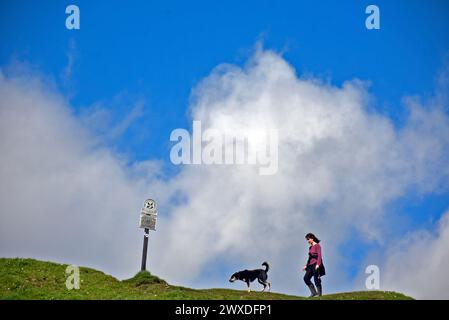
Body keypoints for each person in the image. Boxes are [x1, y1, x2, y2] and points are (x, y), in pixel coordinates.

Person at [301, 233, 325, 297]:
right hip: (310, 265)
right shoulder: (310, 247)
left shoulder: (317, 246)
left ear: (312, 238)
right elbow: (309, 258)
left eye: (308, 239)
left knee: (316, 279)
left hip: (316, 264)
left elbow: (320, 256)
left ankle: (319, 294)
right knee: (306, 278)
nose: (307, 241)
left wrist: (318, 264)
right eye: (307, 240)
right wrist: (306, 265)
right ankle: (314, 293)